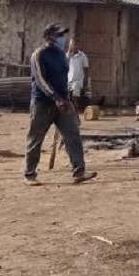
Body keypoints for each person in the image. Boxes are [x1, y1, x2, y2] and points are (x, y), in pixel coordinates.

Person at [24, 23, 97, 186]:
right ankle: (30, 174)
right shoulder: (39, 55)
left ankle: (79, 172)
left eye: (63, 35)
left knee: (73, 135)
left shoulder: (62, 55)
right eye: (59, 35)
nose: (62, 39)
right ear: (49, 37)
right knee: (36, 138)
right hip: (42, 104)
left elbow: (65, 80)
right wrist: (55, 98)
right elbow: (41, 80)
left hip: (63, 103)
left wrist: (68, 100)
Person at [66, 38, 89, 115]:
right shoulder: (68, 56)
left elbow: (86, 70)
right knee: (67, 98)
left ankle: (76, 115)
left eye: (75, 44)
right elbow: (64, 65)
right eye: (71, 45)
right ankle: (70, 115)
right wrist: (69, 53)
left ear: (78, 45)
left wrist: (85, 82)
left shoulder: (83, 56)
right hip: (69, 81)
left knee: (74, 97)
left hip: (78, 81)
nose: (73, 46)